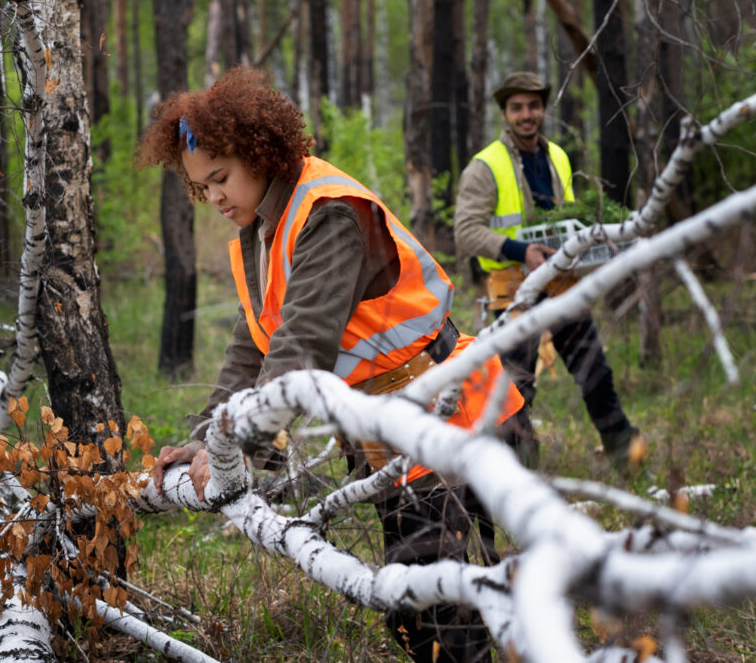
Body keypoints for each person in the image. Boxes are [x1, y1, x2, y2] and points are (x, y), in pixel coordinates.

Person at [136, 66, 527, 663]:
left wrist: (240, 446)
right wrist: (206, 440)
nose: (213, 197)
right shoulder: (261, 228)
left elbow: (301, 346)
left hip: (450, 413)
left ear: (258, 152)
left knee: (430, 615)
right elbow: (254, 345)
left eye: (220, 178)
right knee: (417, 613)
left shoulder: (327, 213)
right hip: (393, 432)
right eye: (200, 187)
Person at [454, 71, 639, 466]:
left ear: (543, 109)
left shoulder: (557, 156)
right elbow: (466, 232)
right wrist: (522, 251)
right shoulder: (485, 166)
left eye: (534, 106)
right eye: (517, 107)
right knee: (516, 387)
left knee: (594, 369)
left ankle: (624, 453)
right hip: (514, 288)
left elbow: (567, 218)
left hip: (560, 282)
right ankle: (519, 471)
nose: (527, 115)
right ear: (505, 113)